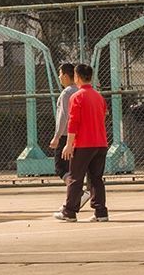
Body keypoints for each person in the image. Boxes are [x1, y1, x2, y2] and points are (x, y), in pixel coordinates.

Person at [54, 64, 109, 222]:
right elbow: (103, 115)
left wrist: (69, 144)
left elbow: (74, 122)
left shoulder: (76, 97)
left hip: (84, 144)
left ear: (77, 77)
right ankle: (101, 212)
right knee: (96, 178)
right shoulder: (99, 96)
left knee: (75, 178)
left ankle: (69, 211)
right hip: (100, 143)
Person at [49, 63, 90, 209]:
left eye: (60, 74)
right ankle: (73, 200)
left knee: (60, 168)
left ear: (66, 76)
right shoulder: (81, 90)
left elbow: (63, 117)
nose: (59, 77)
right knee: (74, 170)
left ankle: (78, 194)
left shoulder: (66, 93)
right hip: (81, 136)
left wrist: (57, 136)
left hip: (67, 136)